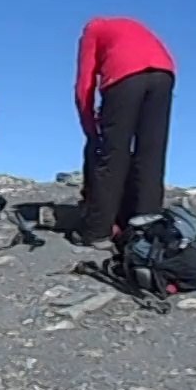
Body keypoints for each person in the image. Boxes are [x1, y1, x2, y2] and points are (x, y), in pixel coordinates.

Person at [72, 16, 177, 248]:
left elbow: (84, 84)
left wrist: (91, 130)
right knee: (151, 153)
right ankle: (146, 232)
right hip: (164, 72)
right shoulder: (131, 26)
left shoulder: (92, 30)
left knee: (113, 153)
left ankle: (97, 231)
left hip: (124, 75)